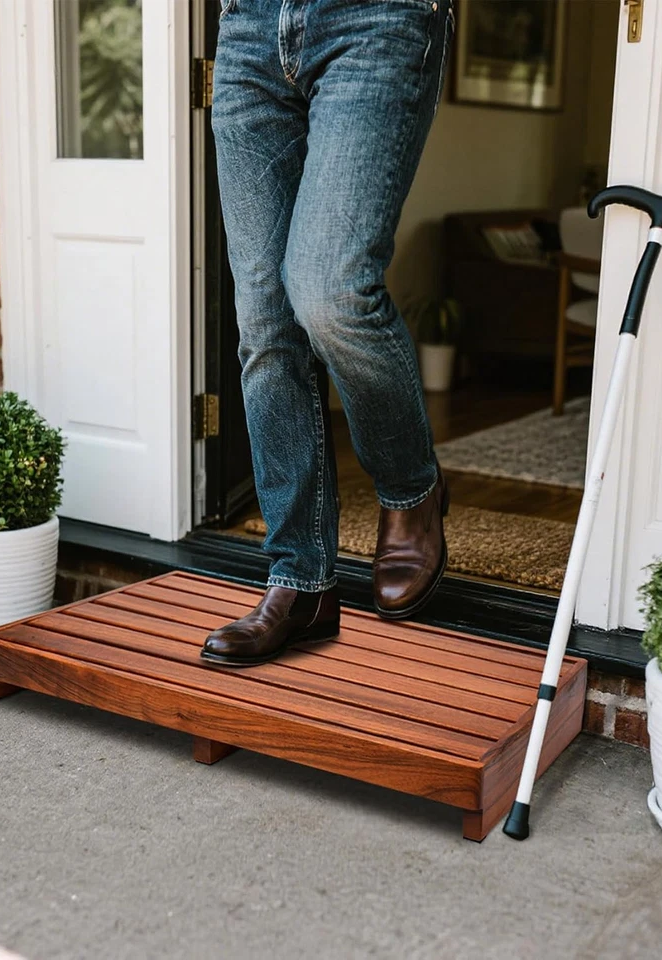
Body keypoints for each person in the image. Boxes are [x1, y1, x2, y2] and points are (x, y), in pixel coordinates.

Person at [201, 0, 454, 667]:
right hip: (250, 27)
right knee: (263, 324)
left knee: (330, 291)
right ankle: (300, 582)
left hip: (375, 19)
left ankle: (411, 489)